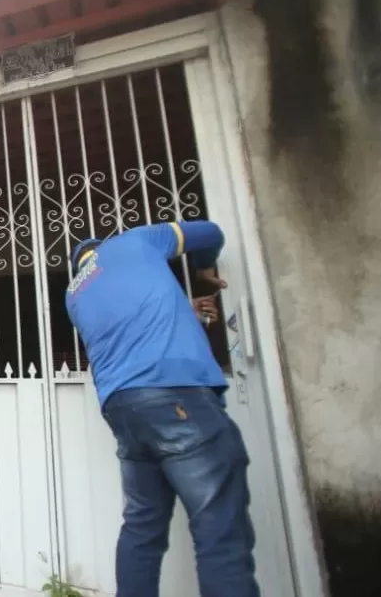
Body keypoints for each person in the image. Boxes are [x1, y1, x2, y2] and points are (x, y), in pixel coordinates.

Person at [64, 220, 260, 597]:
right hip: (176, 393)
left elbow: (131, 325)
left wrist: (185, 310)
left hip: (122, 407)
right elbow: (211, 233)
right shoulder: (135, 242)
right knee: (220, 532)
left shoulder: (74, 294)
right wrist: (203, 269)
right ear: (103, 246)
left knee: (141, 527)